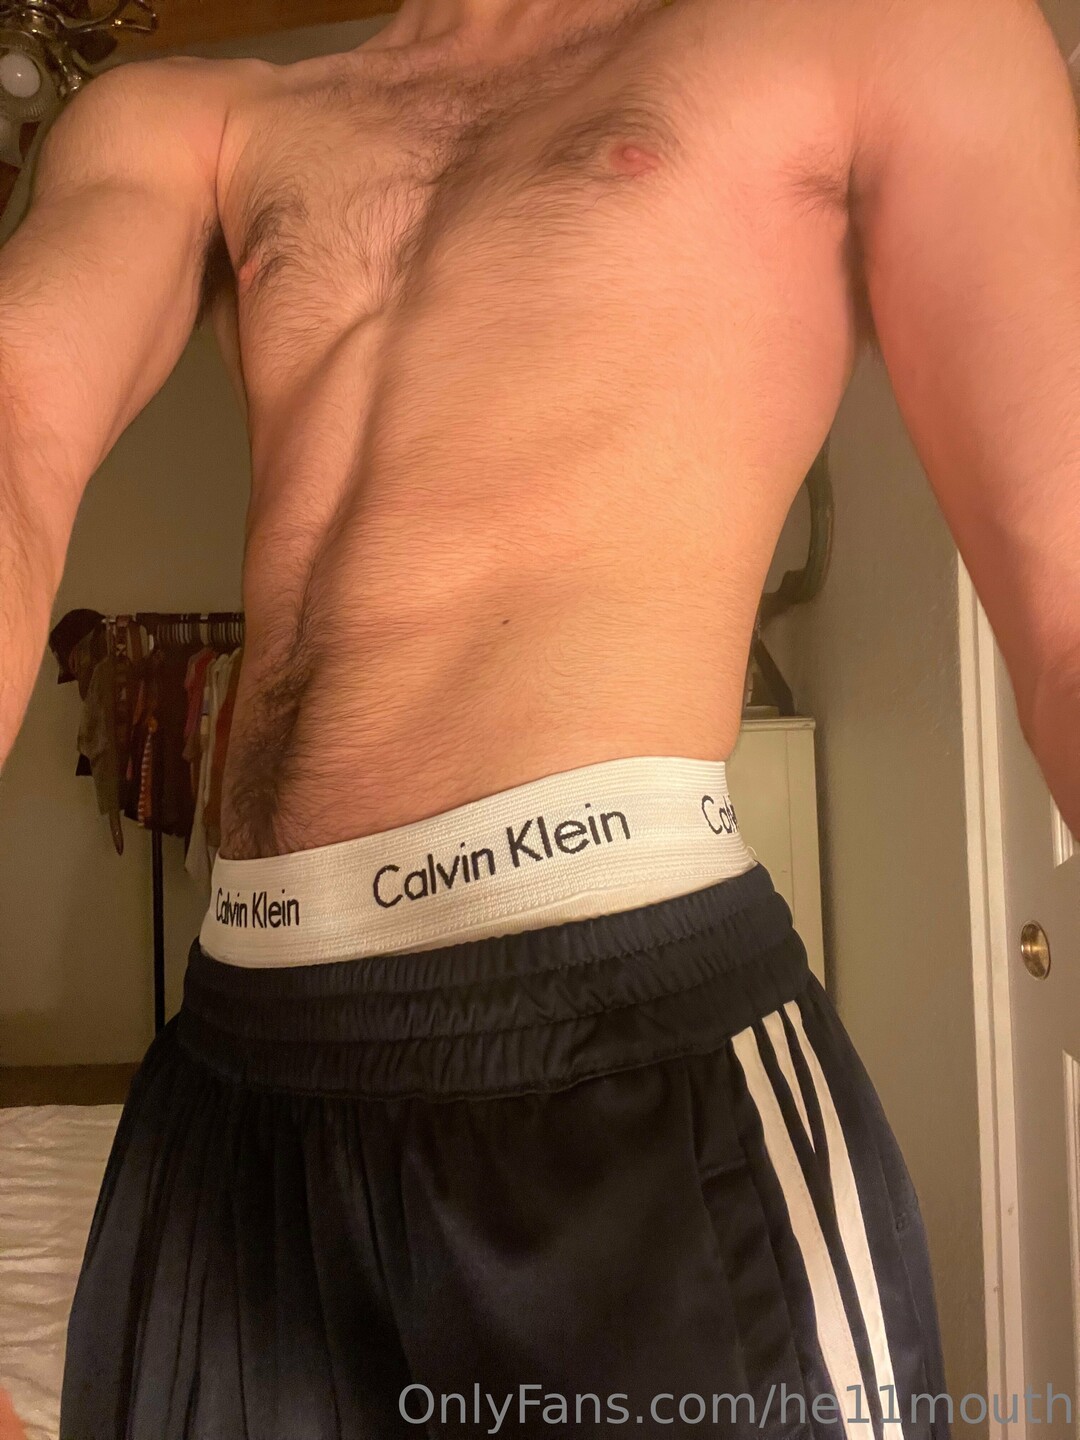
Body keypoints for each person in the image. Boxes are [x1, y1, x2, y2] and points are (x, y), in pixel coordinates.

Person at [0, 0, 1076, 1434]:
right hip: (234, 1069)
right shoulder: (190, 121)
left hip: (622, 1057)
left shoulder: (882, 29)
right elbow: (17, 422)